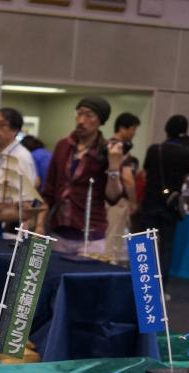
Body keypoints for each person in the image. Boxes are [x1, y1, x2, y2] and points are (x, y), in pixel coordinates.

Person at [39, 96, 124, 255]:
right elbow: (48, 190)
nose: (81, 120)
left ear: (100, 121)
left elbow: (113, 198)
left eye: (89, 115)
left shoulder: (107, 150)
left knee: (85, 271)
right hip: (59, 231)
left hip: (91, 236)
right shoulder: (63, 146)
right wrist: (39, 225)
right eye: (79, 114)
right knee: (54, 271)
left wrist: (114, 166)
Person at [136, 114, 189, 287]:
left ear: (166, 129)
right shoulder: (186, 154)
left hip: (150, 202)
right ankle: (160, 287)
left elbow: (146, 173)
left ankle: (142, 284)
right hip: (170, 204)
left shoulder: (154, 150)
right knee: (166, 246)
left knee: (144, 243)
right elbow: (185, 175)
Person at [104, 112, 141, 262]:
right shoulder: (119, 149)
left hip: (105, 198)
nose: (134, 133)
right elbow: (127, 178)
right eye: (133, 129)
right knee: (113, 239)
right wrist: (133, 201)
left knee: (107, 235)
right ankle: (108, 268)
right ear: (122, 128)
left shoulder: (106, 145)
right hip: (118, 199)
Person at [0, 107, 37, 201]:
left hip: (10, 209)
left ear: (15, 130)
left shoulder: (22, 157)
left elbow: (26, 198)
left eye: (2, 125)